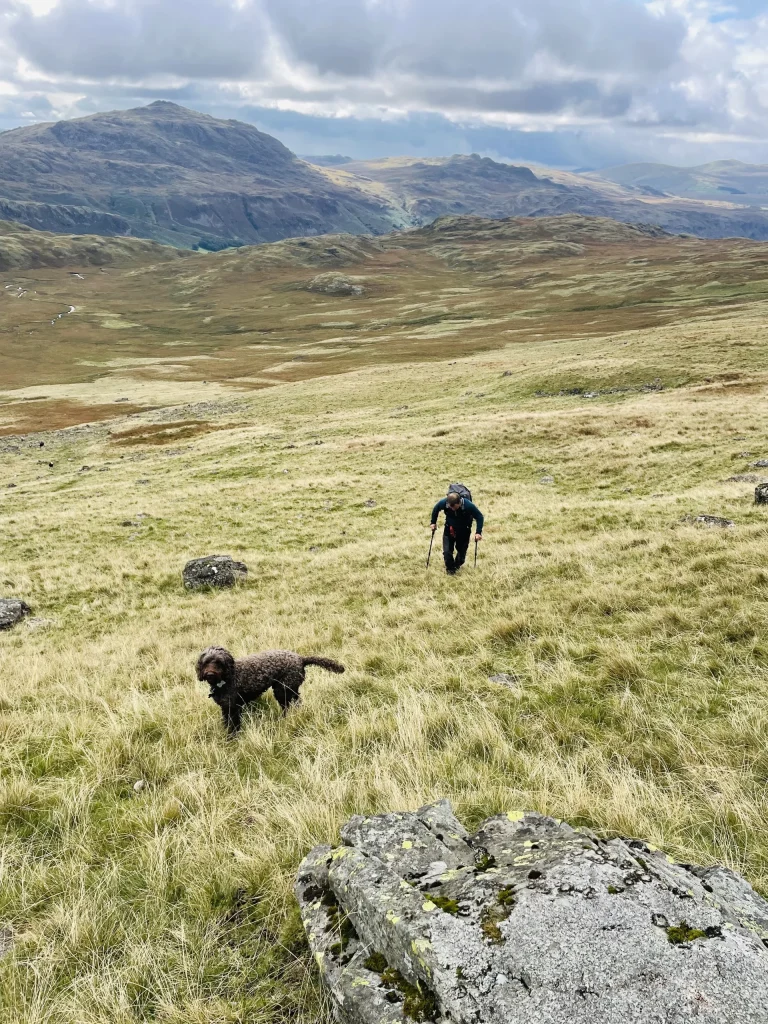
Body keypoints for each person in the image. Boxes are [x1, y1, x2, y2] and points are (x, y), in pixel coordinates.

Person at [430, 491, 484, 575]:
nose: (451, 508)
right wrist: (433, 522)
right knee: (447, 552)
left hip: (464, 531)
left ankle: (456, 566)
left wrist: (478, 532)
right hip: (449, 529)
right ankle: (450, 571)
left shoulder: (468, 505)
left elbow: (479, 517)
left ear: (459, 503)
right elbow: (436, 508)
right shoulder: (445, 502)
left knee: (461, 554)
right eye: (450, 506)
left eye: (453, 507)